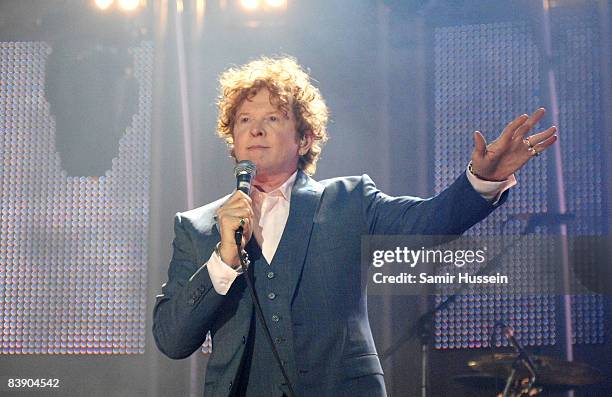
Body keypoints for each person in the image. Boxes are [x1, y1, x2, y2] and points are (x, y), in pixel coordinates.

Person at [152, 56, 557, 397]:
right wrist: (223, 259)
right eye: (244, 119)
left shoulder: (348, 200)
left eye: (272, 117)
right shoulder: (197, 226)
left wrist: (481, 180)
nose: (255, 129)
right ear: (233, 137)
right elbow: (172, 340)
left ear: (305, 138)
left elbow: (431, 222)